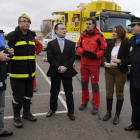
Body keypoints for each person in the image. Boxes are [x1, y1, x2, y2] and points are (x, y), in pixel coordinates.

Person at [5, 13, 37, 128]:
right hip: (17, 74)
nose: (26, 23)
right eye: (24, 21)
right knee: (18, 97)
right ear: (19, 23)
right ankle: (16, 116)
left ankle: (26, 113)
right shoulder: (12, 36)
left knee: (28, 95)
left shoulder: (32, 36)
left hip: (30, 73)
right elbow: (5, 52)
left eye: (28, 21)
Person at [46, 23, 77, 120]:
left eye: (65, 28)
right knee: (54, 91)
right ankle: (52, 109)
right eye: (62, 29)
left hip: (67, 72)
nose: (64, 30)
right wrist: (59, 67)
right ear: (56, 31)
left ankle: (71, 112)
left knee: (69, 92)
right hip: (55, 72)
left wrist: (64, 67)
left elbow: (72, 58)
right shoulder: (51, 44)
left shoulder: (71, 43)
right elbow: (50, 58)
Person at [76, 17, 107, 115]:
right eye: (87, 24)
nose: (88, 25)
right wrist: (82, 52)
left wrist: (96, 55)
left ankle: (95, 104)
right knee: (84, 84)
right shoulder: (82, 36)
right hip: (84, 64)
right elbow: (77, 47)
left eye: (90, 23)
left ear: (94, 24)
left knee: (94, 85)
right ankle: (84, 102)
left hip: (94, 64)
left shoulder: (99, 36)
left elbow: (103, 49)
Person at [102, 25, 129, 124]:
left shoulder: (127, 44)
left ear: (121, 33)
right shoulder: (110, 44)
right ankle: (109, 113)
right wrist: (105, 63)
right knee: (109, 92)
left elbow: (129, 60)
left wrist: (119, 61)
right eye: (113, 31)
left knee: (119, 93)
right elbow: (104, 56)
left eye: (115, 32)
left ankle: (117, 114)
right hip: (109, 71)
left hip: (120, 71)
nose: (113, 33)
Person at [124, 16, 140, 139]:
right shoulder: (133, 40)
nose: (131, 28)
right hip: (134, 77)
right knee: (134, 103)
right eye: (131, 26)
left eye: (133, 26)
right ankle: (135, 124)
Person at [0, 32, 14, 137]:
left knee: (1, 107)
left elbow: (5, 49)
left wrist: (9, 52)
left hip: (2, 76)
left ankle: (0, 130)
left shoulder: (1, 36)